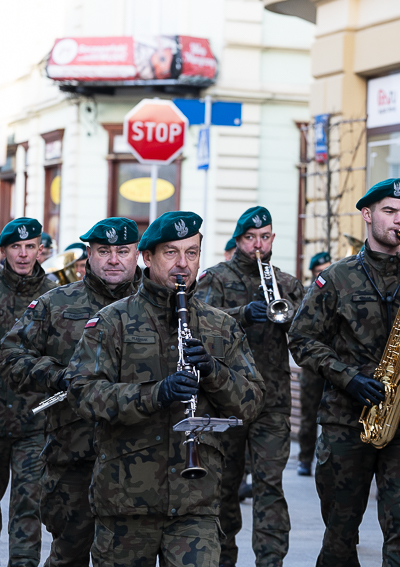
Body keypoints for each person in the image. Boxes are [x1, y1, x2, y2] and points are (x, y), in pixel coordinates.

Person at [65, 210, 264, 567]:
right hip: (126, 502)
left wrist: (215, 373)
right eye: (171, 252)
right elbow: (83, 393)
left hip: (196, 502)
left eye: (192, 252)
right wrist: (154, 394)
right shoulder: (114, 321)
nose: (183, 264)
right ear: (147, 257)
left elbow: (252, 403)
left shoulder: (220, 325)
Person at [289, 178, 400, 566]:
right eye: (389, 212)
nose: (399, 221)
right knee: (340, 535)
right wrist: (348, 377)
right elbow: (302, 339)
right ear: (367, 214)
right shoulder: (337, 277)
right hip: (347, 421)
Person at [0, 217, 142, 567]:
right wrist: (58, 376)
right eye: (103, 251)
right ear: (88, 254)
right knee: (69, 554)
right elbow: (10, 356)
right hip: (73, 455)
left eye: (123, 251)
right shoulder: (55, 303)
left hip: (141, 459)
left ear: (138, 254)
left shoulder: (164, 306)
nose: (113, 260)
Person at [196, 206, 305, 567]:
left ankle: (270, 560)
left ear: (273, 238)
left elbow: (307, 336)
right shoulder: (215, 278)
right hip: (225, 399)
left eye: (265, 237)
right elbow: (198, 328)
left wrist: (289, 316)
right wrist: (245, 312)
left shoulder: (287, 283)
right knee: (224, 488)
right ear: (239, 240)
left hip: (271, 401)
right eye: (250, 238)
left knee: (269, 486)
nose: (258, 244)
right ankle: (224, 559)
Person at [0, 218, 58, 567]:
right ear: (4, 251)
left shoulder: (54, 294)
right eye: (15, 247)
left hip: (34, 420)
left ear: (40, 249)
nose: (23, 254)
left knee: (28, 505)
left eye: (30, 246)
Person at [297, 250, 333, 477]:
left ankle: (327, 462)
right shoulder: (306, 293)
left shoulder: (339, 288)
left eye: (327, 268)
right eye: (320, 271)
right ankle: (304, 459)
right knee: (309, 416)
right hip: (312, 367)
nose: (325, 273)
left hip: (334, 363)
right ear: (312, 273)